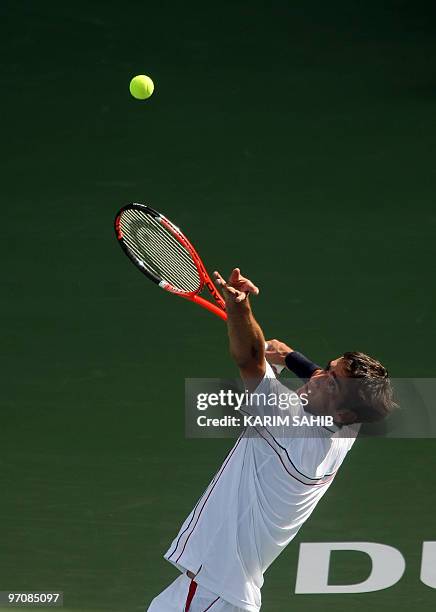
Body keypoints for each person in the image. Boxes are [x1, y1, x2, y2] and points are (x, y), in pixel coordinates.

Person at [147, 268, 396, 612]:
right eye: (326, 367)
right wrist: (292, 358)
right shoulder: (348, 427)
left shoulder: (289, 424)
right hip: (221, 590)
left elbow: (249, 359)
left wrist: (241, 310)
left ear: (345, 412)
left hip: (212, 590)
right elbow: (310, 371)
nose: (320, 377)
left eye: (332, 382)